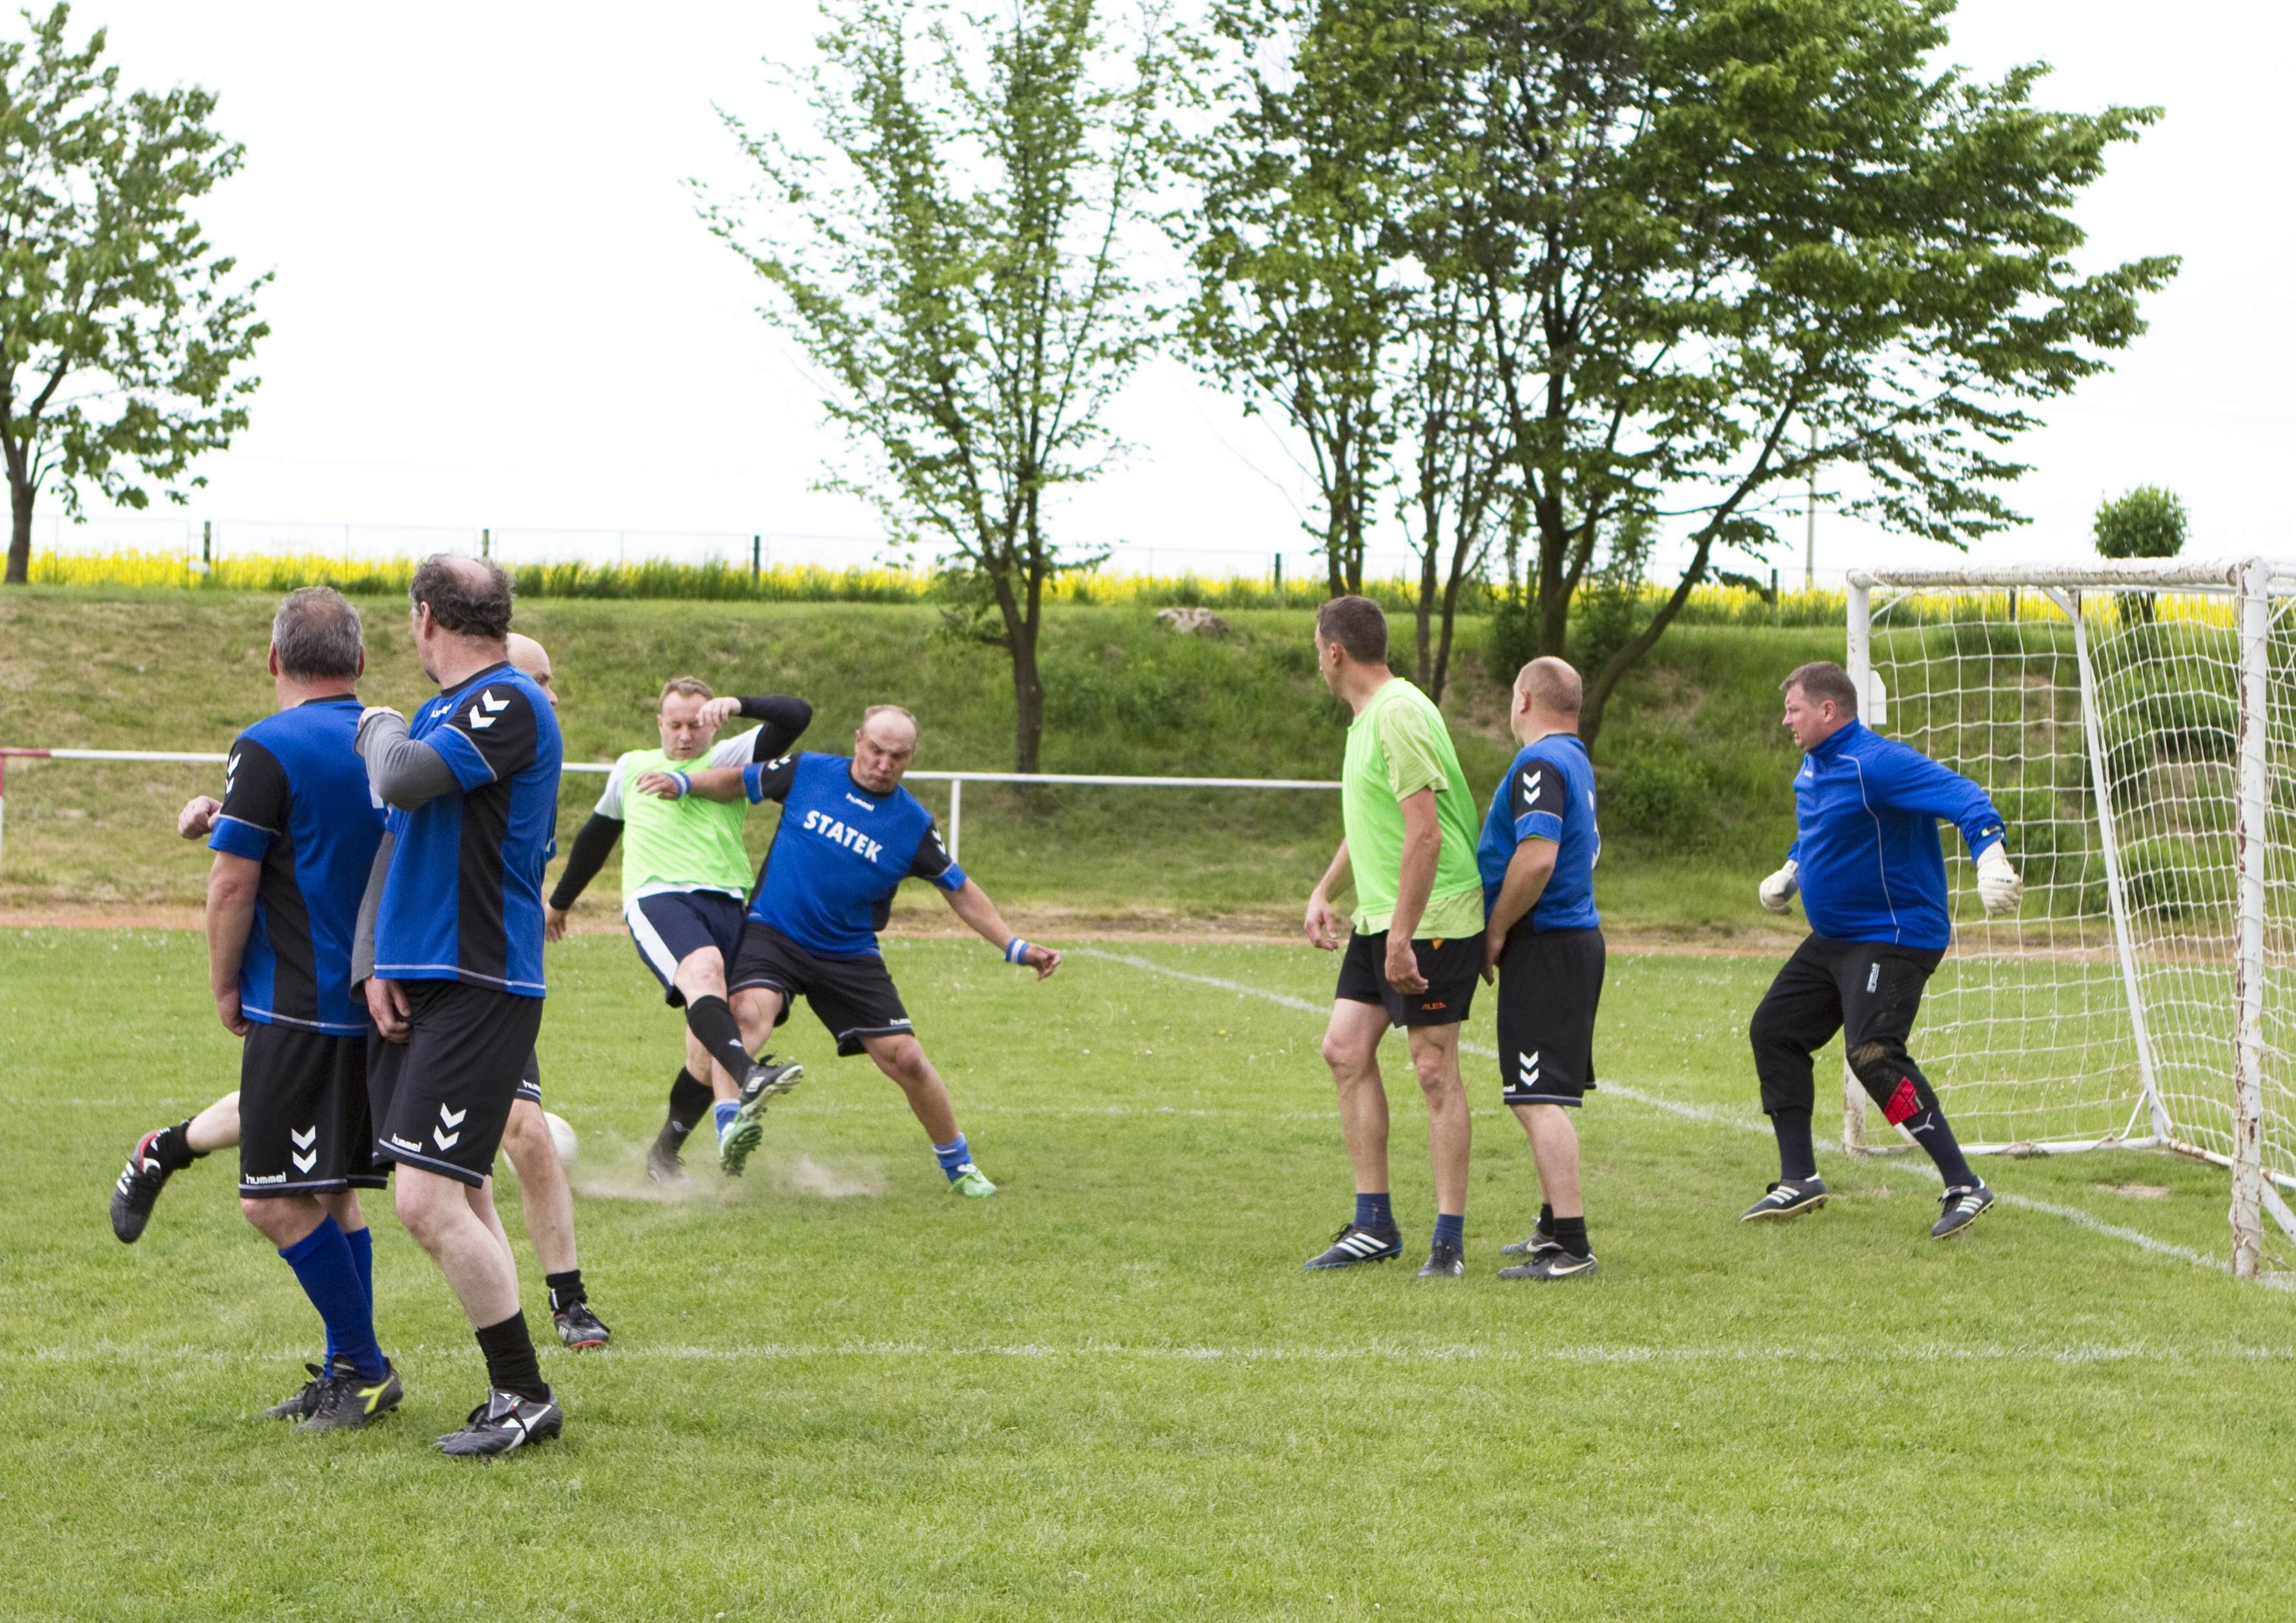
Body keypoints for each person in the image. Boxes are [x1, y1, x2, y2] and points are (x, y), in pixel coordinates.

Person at [116, 633, 614, 1354]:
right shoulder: (421, 737)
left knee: (383, 1180)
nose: (549, 695)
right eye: (537, 679)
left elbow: (357, 832)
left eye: (548, 682)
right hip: (400, 980)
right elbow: (351, 831)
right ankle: (461, 1361)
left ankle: (472, 1352)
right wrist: (231, 818)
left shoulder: (470, 746)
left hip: (453, 980)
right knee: (380, 1181)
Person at [108, 588, 401, 1430]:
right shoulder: (393, 740)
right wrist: (226, 812)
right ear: (359, 663)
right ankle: (352, 1367)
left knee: (273, 1198)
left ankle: (368, 1369)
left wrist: (223, 981)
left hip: (300, 1006)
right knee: (336, 1193)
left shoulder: (268, 744)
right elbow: (325, 834)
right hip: (372, 998)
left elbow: (232, 879)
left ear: (275, 661)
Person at [671, 704, 1058, 1194]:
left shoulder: (912, 824)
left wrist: (1015, 945)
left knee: (908, 1059)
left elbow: (958, 888)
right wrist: (684, 784)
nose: (884, 764)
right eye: (876, 750)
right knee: (745, 1016)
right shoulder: (808, 771)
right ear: (858, 741)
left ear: (910, 758)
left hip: (848, 951)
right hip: (775, 933)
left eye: (898, 756)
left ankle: (960, 1167)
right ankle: (731, 1125)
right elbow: (735, 782)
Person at [360, 555, 566, 1456]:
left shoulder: (508, 698)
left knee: (424, 1200)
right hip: (441, 978)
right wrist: (382, 960)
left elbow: (400, 777)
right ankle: (514, 1389)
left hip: (483, 982)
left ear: (424, 616)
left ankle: (524, 1393)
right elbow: (404, 841)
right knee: (459, 1189)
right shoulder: (453, 713)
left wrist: (372, 723)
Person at [1745, 659, 2024, 1240]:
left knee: (1872, 1053)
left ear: (1828, 710)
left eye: (1793, 709)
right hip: (1837, 938)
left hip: (1894, 936)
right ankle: (1799, 1178)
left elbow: (1963, 795)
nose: (1784, 720)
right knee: (1774, 1029)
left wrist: (1990, 855)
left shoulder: (1879, 763)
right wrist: (1793, 870)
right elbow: (1821, 827)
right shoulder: (1813, 767)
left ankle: (1963, 1184)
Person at [544, 678, 813, 1182]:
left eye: (696, 724)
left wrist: (740, 705)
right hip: (659, 895)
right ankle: (747, 1084)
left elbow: (797, 714)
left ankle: (665, 1152)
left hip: (732, 901)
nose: (686, 735)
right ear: (659, 724)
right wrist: (559, 903)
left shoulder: (729, 755)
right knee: (704, 972)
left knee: (731, 1027)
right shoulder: (632, 766)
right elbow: (597, 837)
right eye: (676, 725)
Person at [1300, 595, 1486, 1278]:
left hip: (1431, 919)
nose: (1316, 658)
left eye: (1316, 648)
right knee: (1344, 1051)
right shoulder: (1367, 720)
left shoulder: (1399, 713)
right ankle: (1374, 1223)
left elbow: (1426, 832)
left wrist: (1402, 937)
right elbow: (1372, 823)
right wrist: (1326, 891)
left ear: (1334, 652)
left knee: (1434, 1070)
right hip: (1383, 918)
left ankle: (1448, 1239)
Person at [1476, 658, 1606, 1281]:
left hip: (1549, 942)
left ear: (1523, 696)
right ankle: (1553, 1226)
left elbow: (1536, 860)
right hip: (1569, 942)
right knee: (1540, 1093)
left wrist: (1496, 927)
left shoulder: (1539, 763)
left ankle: (1572, 1247)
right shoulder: (1575, 758)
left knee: (1535, 1098)